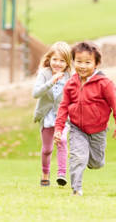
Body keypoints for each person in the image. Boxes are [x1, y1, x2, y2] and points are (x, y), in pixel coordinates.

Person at [53, 41, 116, 196]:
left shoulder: (105, 84)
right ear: (73, 62)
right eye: (78, 61)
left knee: (97, 163)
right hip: (77, 128)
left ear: (96, 63)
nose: (82, 66)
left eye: (88, 62)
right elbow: (63, 108)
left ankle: (88, 161)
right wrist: (58, 128)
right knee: (78, 157)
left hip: (98, 130)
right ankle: (76, 189)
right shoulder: (70, 84)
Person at [32, 42, 73, 187]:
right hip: (46, 116)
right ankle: (45, 172)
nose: (58, 63)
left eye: (62, 60)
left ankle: (61, 174)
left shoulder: (70, 76)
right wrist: (51, 81)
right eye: (55, 59)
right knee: (47, 149)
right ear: (49, 59)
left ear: (68, 63)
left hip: (63, 117)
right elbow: (35, 94)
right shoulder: (44, 73)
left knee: (62, 141)